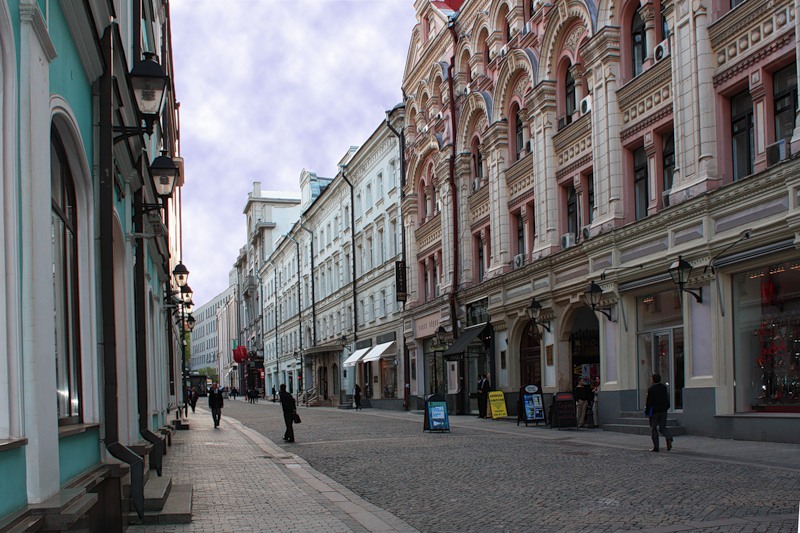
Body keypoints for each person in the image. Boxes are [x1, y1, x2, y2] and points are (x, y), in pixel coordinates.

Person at [645, 373, 673, 452]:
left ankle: (656, 447)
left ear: (653, 380)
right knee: (662, 427)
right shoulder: (663, 387)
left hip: (654, 412)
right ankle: (669, 437)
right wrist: (667, 407)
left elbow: (649, 402)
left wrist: (647, 412)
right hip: (663, 410)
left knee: (654, 428)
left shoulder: (651, 389)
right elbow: (666, 398)